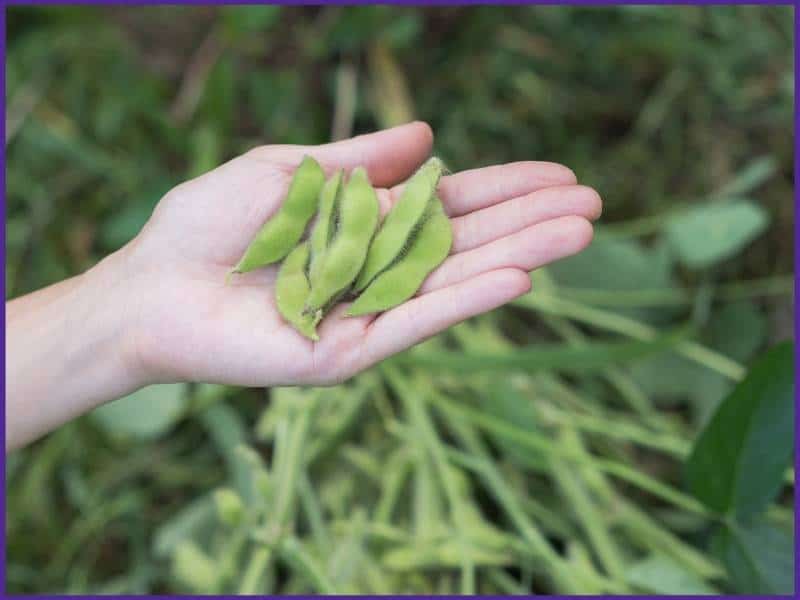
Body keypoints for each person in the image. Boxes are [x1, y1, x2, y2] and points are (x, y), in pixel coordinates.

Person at [5, 122, 601, 451]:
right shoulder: (324, 203)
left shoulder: (359, 199)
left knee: (375, 238)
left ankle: (328, 297)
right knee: (352, 241)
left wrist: (121, 310)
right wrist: (130, 305)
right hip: (308, 279)